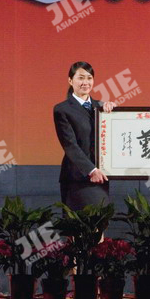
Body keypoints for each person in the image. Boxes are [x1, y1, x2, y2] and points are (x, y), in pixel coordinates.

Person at [54, 62, 115, 210]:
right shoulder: (62, 109)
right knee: (79, 221)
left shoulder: (101, 107)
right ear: (70, 81)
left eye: (89, 78)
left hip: (101, 176)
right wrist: (91, 170)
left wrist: (114, 115)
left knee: (100, 219)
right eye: (80, 78)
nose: (85, 82)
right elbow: (70, 145)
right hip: (77, 177)